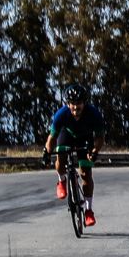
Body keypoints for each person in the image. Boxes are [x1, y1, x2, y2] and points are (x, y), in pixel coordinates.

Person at [44, 83, 106, 228]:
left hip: (85, 138)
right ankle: (62, 180)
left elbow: (99, 137)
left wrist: (95, 151)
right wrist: (46, 152)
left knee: (85, 174)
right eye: (72, 104)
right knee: (61, 157)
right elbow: (52, 138)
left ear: (84, 103)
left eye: (79, 104)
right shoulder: (61, 115)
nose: (76, 108)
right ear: (68, 104)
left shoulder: (93, 114)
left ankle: (88, 211)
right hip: (67, 135)